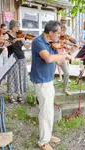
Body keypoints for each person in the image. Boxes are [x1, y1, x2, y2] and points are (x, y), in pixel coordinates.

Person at [30, 20, 71, 150]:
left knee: (49, 110)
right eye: (58, 33)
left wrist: (68, 55)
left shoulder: (50, 43)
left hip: (48, 80)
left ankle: (47, 134)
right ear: (51, 32)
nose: (60, 35)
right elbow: (48, 58)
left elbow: (57, 60)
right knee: (45, 112)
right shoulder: (38, 42)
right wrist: (64, 54)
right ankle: (43, 142)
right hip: (42, 81)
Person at [6, 20, 31, 103]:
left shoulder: (20, 35)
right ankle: (11, 96)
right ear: (12, 27)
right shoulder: (7, 35)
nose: (18, 28)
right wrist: (14, 40)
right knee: (12, 77)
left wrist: (26, 41)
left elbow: (27, 47)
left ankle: (19, 95)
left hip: (21, 58)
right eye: (17, 26)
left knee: (21, 76)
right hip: (12, 59)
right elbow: (4, 44)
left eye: (18, 26)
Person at [56, 25, 79, 95]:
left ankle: (64, 89)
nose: (63, 33)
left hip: (63, 57)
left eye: (64, 31)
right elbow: (55, 45)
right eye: (61, 31)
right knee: (66, 73)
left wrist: (68, 41)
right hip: (56, 57)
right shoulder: (56, 37)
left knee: (67, 73)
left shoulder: (65, 38)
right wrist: (61, 44)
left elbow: (75, 43)